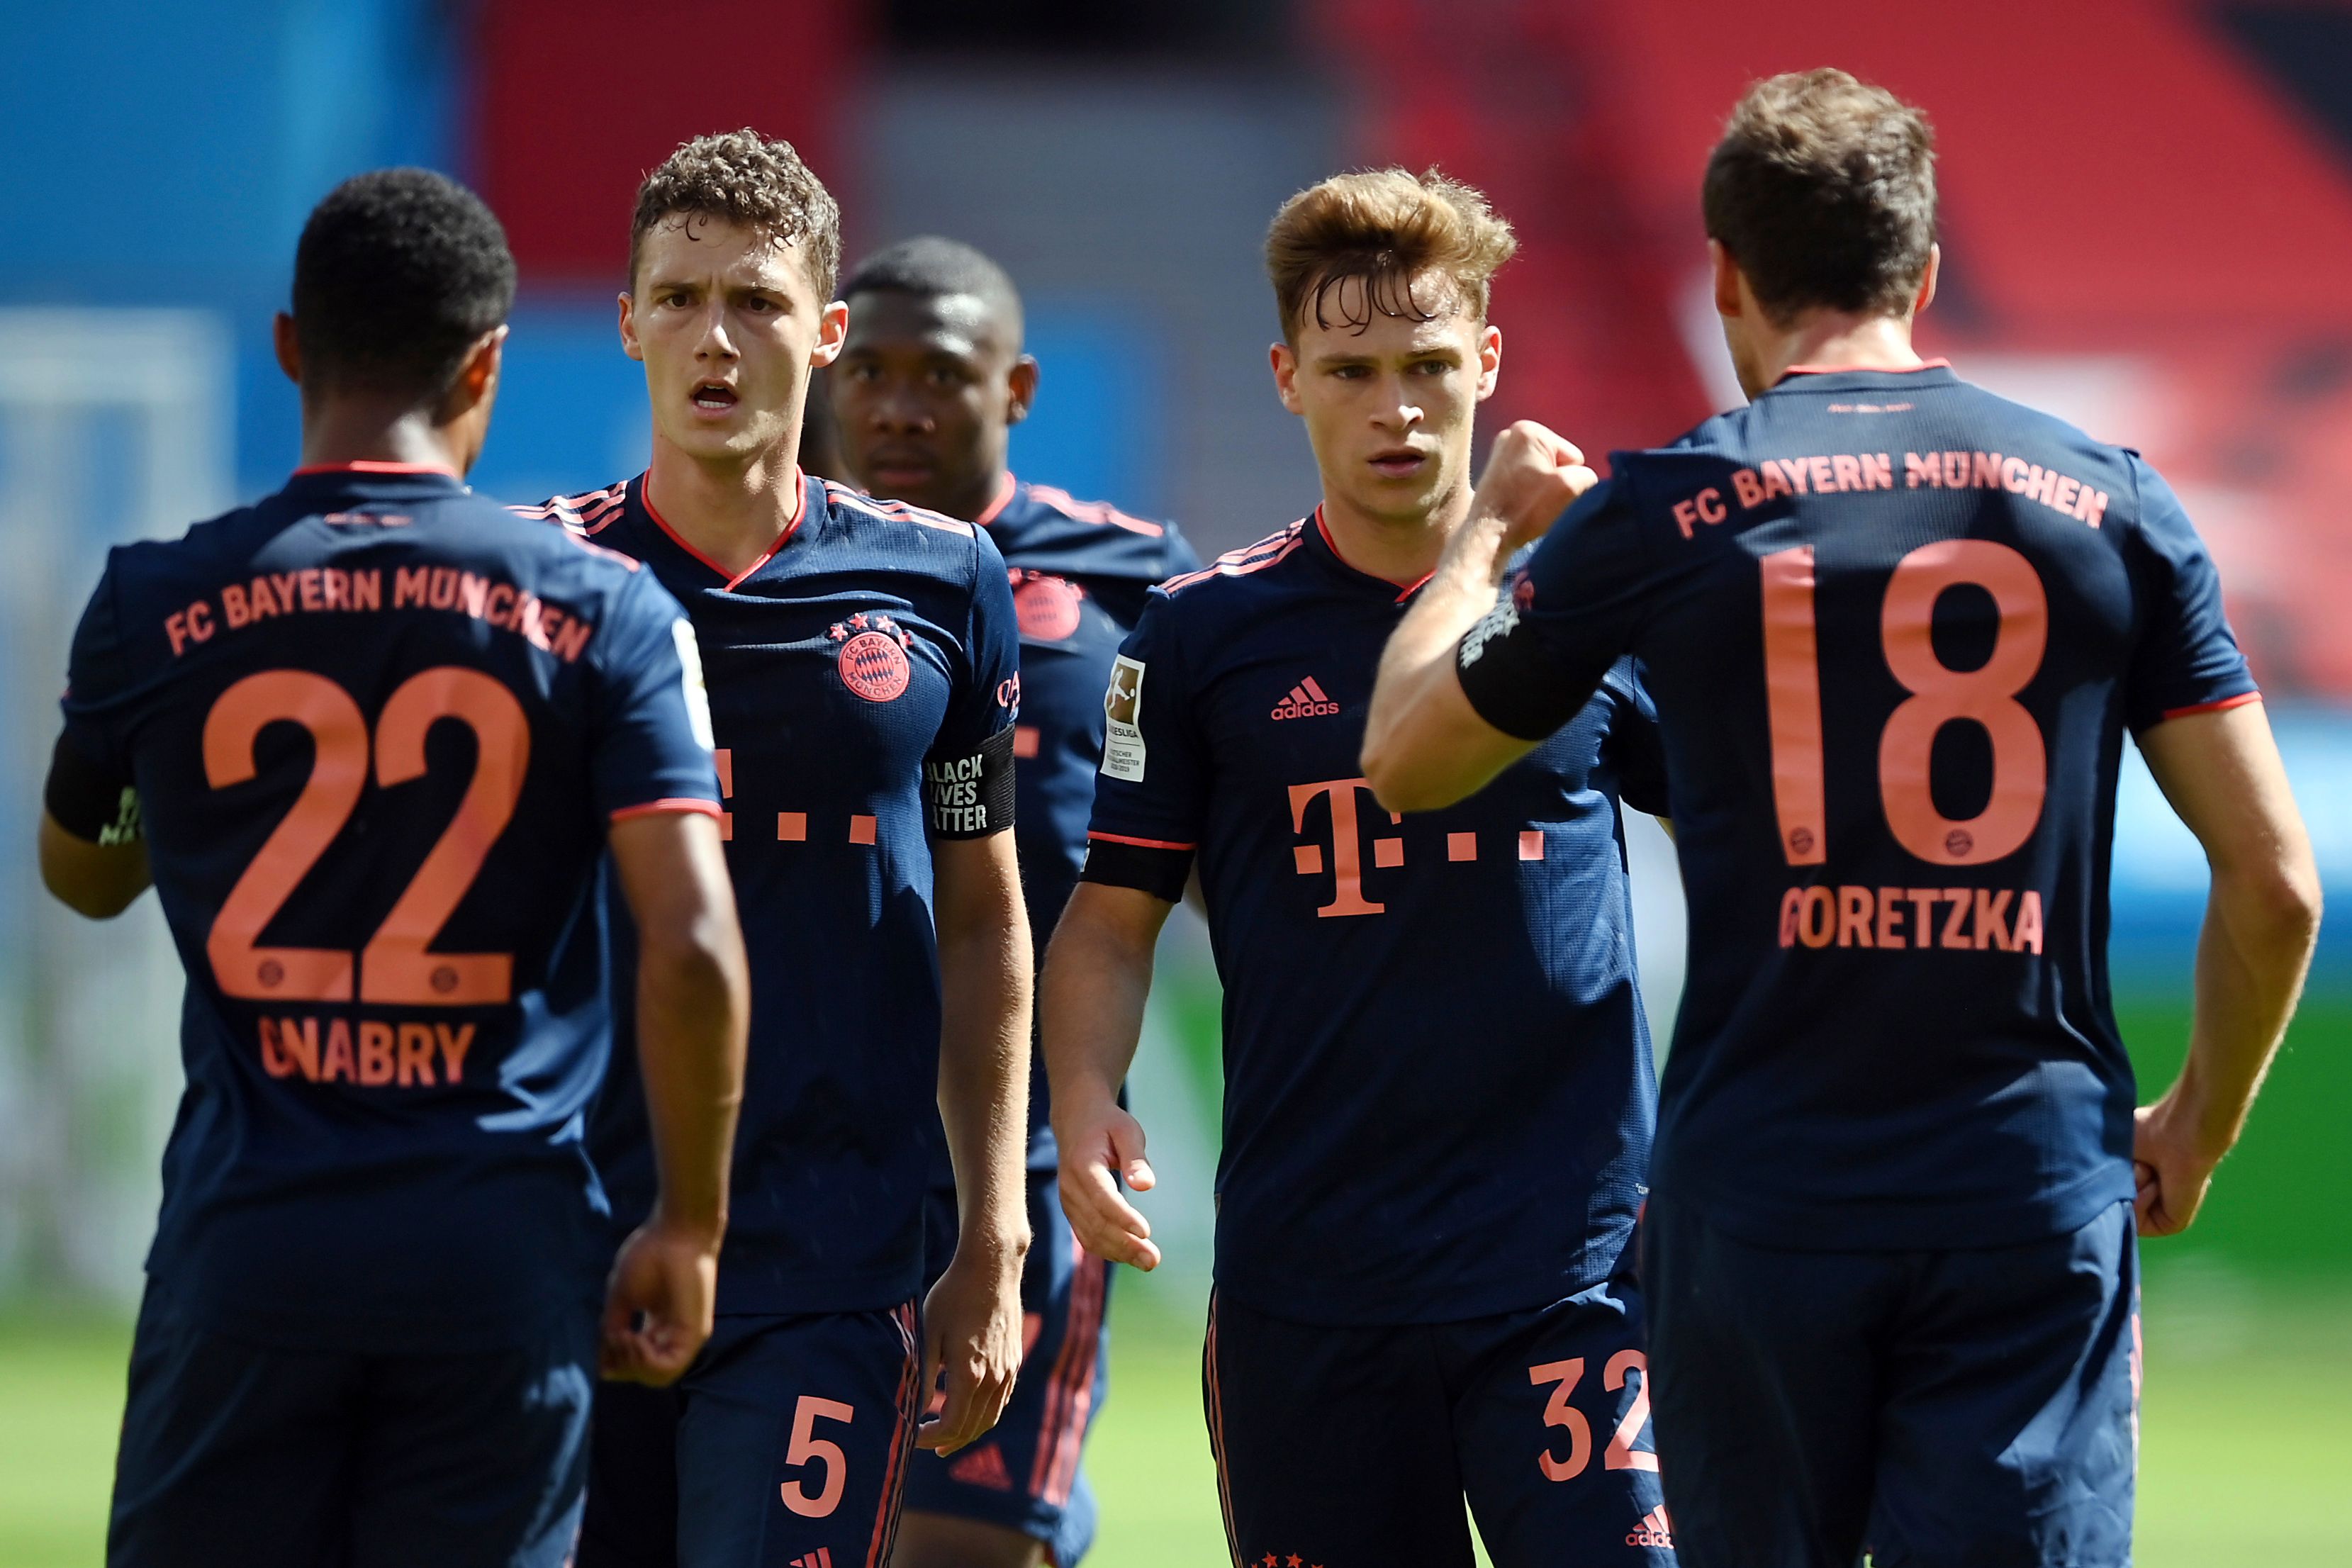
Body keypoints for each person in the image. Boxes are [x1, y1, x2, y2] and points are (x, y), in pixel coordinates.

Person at [1361, 69, 2324, 1568]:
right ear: (1927, 273)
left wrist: (1484, 536)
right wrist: (2197, 1122)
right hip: (2025, 1190)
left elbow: (1410, 758)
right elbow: (2272, 879)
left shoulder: (1672, 507)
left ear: (1726, 275)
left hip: (1760, 1201)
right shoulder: (2112, 503)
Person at [39, 168, 749, 1568]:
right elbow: (696, 943)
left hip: (248, 1247)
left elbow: (83, 873)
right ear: (487, 362)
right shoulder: (603, 607)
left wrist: (174, 814)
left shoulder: (152, 601)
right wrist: (688, 1218)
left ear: (293, 344)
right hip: (501, 1251)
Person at [1043, 170, 1677, 1568]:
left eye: (1430, 365)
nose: (1396, 407)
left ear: (1489, 364)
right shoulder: (1199, 635)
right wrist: (1083, 1096)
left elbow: (1759, 854)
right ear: (1286, 376)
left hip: (1569, 1270)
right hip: (1309, 1287)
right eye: (1352, 369)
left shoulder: (1594, 609)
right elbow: (1110, 914)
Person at [520, 133, 1034, 1568]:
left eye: (754, 299)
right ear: (625, 324)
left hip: (833, 1256)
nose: (716, 337)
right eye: (678, 298)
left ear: (828, 328)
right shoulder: (545, 581)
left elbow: (985, 913)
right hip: (571, 1244)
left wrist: (989, 1236)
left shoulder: (943, 580)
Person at [829, 235, 1199, 1568]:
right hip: (805, 1154)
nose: (899, 406)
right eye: (867, 369)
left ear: (1017, 387)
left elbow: (1226, 849)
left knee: (969, 1548)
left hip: (1019, 1164)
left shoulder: (1131, 580)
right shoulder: (778, 577)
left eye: (940, 372)